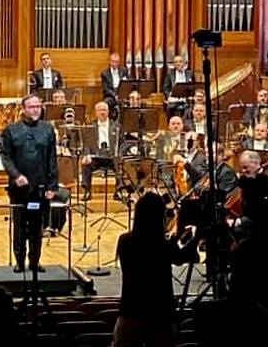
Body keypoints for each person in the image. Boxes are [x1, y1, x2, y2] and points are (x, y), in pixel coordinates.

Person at [223, 150, 268, 346]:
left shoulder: (262, 184)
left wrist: (236, 225)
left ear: (256, 165)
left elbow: (258, 216)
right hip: (262, 240)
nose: (243, 171)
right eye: (241, 168)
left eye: (246, 168)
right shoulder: (252, 184)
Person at [112, 192, 195, 347]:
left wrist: (173, 240)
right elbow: (182, 257)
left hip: (130, 312)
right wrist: (196, 237)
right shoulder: (164, 246)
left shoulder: (124, 241)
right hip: (160, 315)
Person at [0, 94, 59, 273]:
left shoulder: (48, 129)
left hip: (40, 186)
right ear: (23, 109)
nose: (36, 110)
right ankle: (19, 261)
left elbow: (52, 159)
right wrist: (16, 176)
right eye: (32, 107)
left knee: (36, 226)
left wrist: (52, 186)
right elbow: (5, 157)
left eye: (38, 107)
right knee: (19, 226)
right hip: (19, 187)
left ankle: (35, 261)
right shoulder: (11, 130)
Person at [79, 102, 121, 201]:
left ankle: (118, 191)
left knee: (120, 164)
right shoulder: (90, 126)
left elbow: (122, 143)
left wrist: (119, 154)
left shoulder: (116, 126)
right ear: (96, 112)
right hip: (96, 156)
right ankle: (87, 191)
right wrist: (86, 155)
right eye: (100, 110)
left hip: (112, 157)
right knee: (86, 164)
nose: (102, 112)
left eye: (104, 110)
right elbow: (86, 144)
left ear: (108, 112)